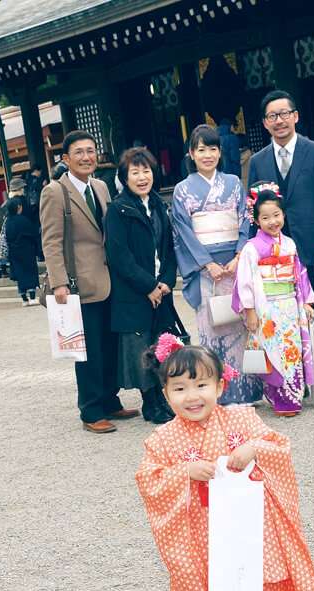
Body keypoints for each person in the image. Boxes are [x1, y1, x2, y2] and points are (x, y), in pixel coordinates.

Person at [134, 340, 314, 591]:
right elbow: (149, 478)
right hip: (201, 534)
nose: (192, 396)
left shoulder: (241, 418)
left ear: (221, 385)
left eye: (202, 384)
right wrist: (184, 472)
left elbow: (278, 444)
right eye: (180, 388)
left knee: (258, 586)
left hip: (252, 526)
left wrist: (255, 449)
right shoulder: (163, 439)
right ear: (165, 393)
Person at [248, 89, 314, 402]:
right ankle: (292, 381)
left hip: (313, 251)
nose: (279, 121)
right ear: (265, 123)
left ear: (295, 116)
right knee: (282, 323)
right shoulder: (258, 161)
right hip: (274, 261)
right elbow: (253, 211)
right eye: (272, 116)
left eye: (284, 114)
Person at [42, 129, 138, 434]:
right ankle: (91, 409)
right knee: (88, 350)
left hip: (109, 279)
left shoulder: (100, 186)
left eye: (91, 150)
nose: (87, 157)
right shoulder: (55, 191)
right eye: (79, 152)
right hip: (79, 283)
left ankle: (110, 400)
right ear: (66, 159)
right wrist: (59, 282)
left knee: (110, 344)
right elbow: (52, 241)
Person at [171, 123, 263, 405]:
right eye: (201, 149)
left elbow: (246, 220)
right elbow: (183, 231)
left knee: (244, 328)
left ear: (220, 152)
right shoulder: (182, 190)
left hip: (235, 265)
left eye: (212, 149)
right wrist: (206, 264)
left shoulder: (234, 183)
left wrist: (239, 256)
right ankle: (219, 395)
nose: (207, 154)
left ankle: (249, 392)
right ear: (191, 154)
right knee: (212, 331)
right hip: (205, 270)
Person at [104, 147, 178, 424]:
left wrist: (167, 282)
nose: (141, 176)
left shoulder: (159, 205)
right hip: (134, 292)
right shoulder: (118, 210)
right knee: (140, 347)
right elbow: (119, 256)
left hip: (160, 290)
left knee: (160, 344)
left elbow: (169, 249)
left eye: (145, 170)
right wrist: (149, 285)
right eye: (134, 172)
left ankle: (161, 399)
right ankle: (150, 403)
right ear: (124, 178)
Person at [233, 183, 314, 416]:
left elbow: (300, 275)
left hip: (290, 304)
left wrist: (306, 302)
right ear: (257, 221)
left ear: (284, 215)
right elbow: (246, 281)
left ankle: (293, 396)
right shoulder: (252, 248)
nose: (273, 222)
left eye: (277, 215)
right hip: (266, 308)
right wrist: (249, 310)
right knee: (272, 350)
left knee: (292, 349)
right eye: (266, 217)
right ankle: (279, 397)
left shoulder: (289, 244)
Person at [4, 196, 41, 305]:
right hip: (27, 250)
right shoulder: (23, 220)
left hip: (14, 252)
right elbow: (33, 234)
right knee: (30, 272)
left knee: (20, 274)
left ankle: (24, 299)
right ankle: (33, 297)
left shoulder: (8, 222)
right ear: (18, 207)